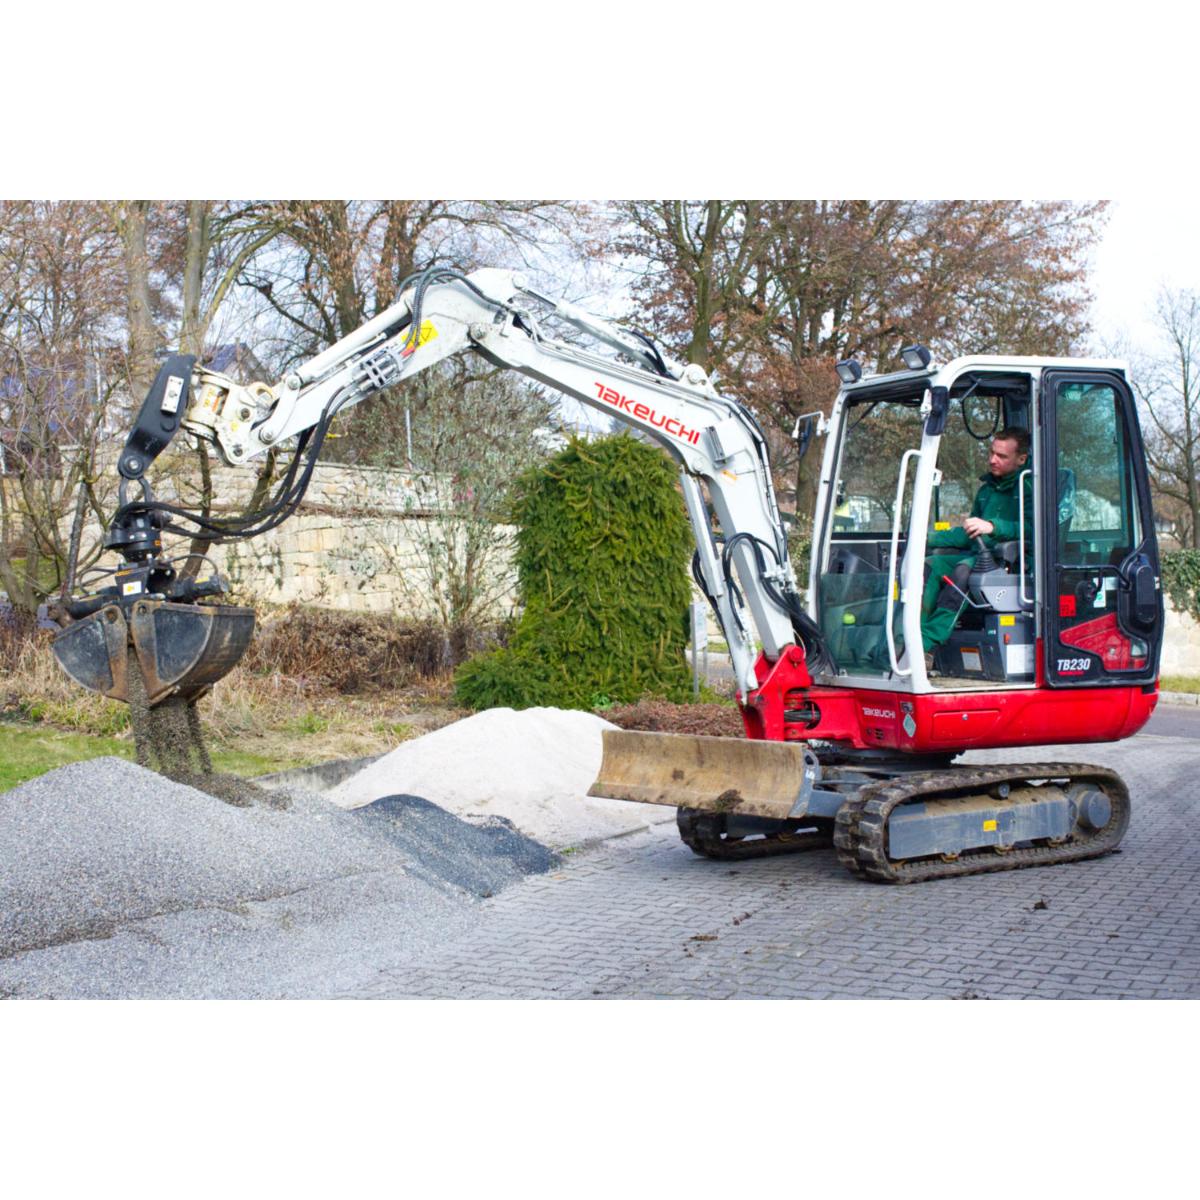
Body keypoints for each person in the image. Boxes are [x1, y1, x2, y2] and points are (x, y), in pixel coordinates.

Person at [920, 427, 1032, 663]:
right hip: (978, 554)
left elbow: (1035, 530)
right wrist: (925, 538)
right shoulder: (986, 490)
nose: (993, 460)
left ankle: (927, 644)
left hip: (1013, 561)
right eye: (992, 453)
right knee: (930, 565)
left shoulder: (1031, 487)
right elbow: (968, 534)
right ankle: (910, 635)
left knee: (963, 570)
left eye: (1002, 456)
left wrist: (993, 527)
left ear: (1021, 459)